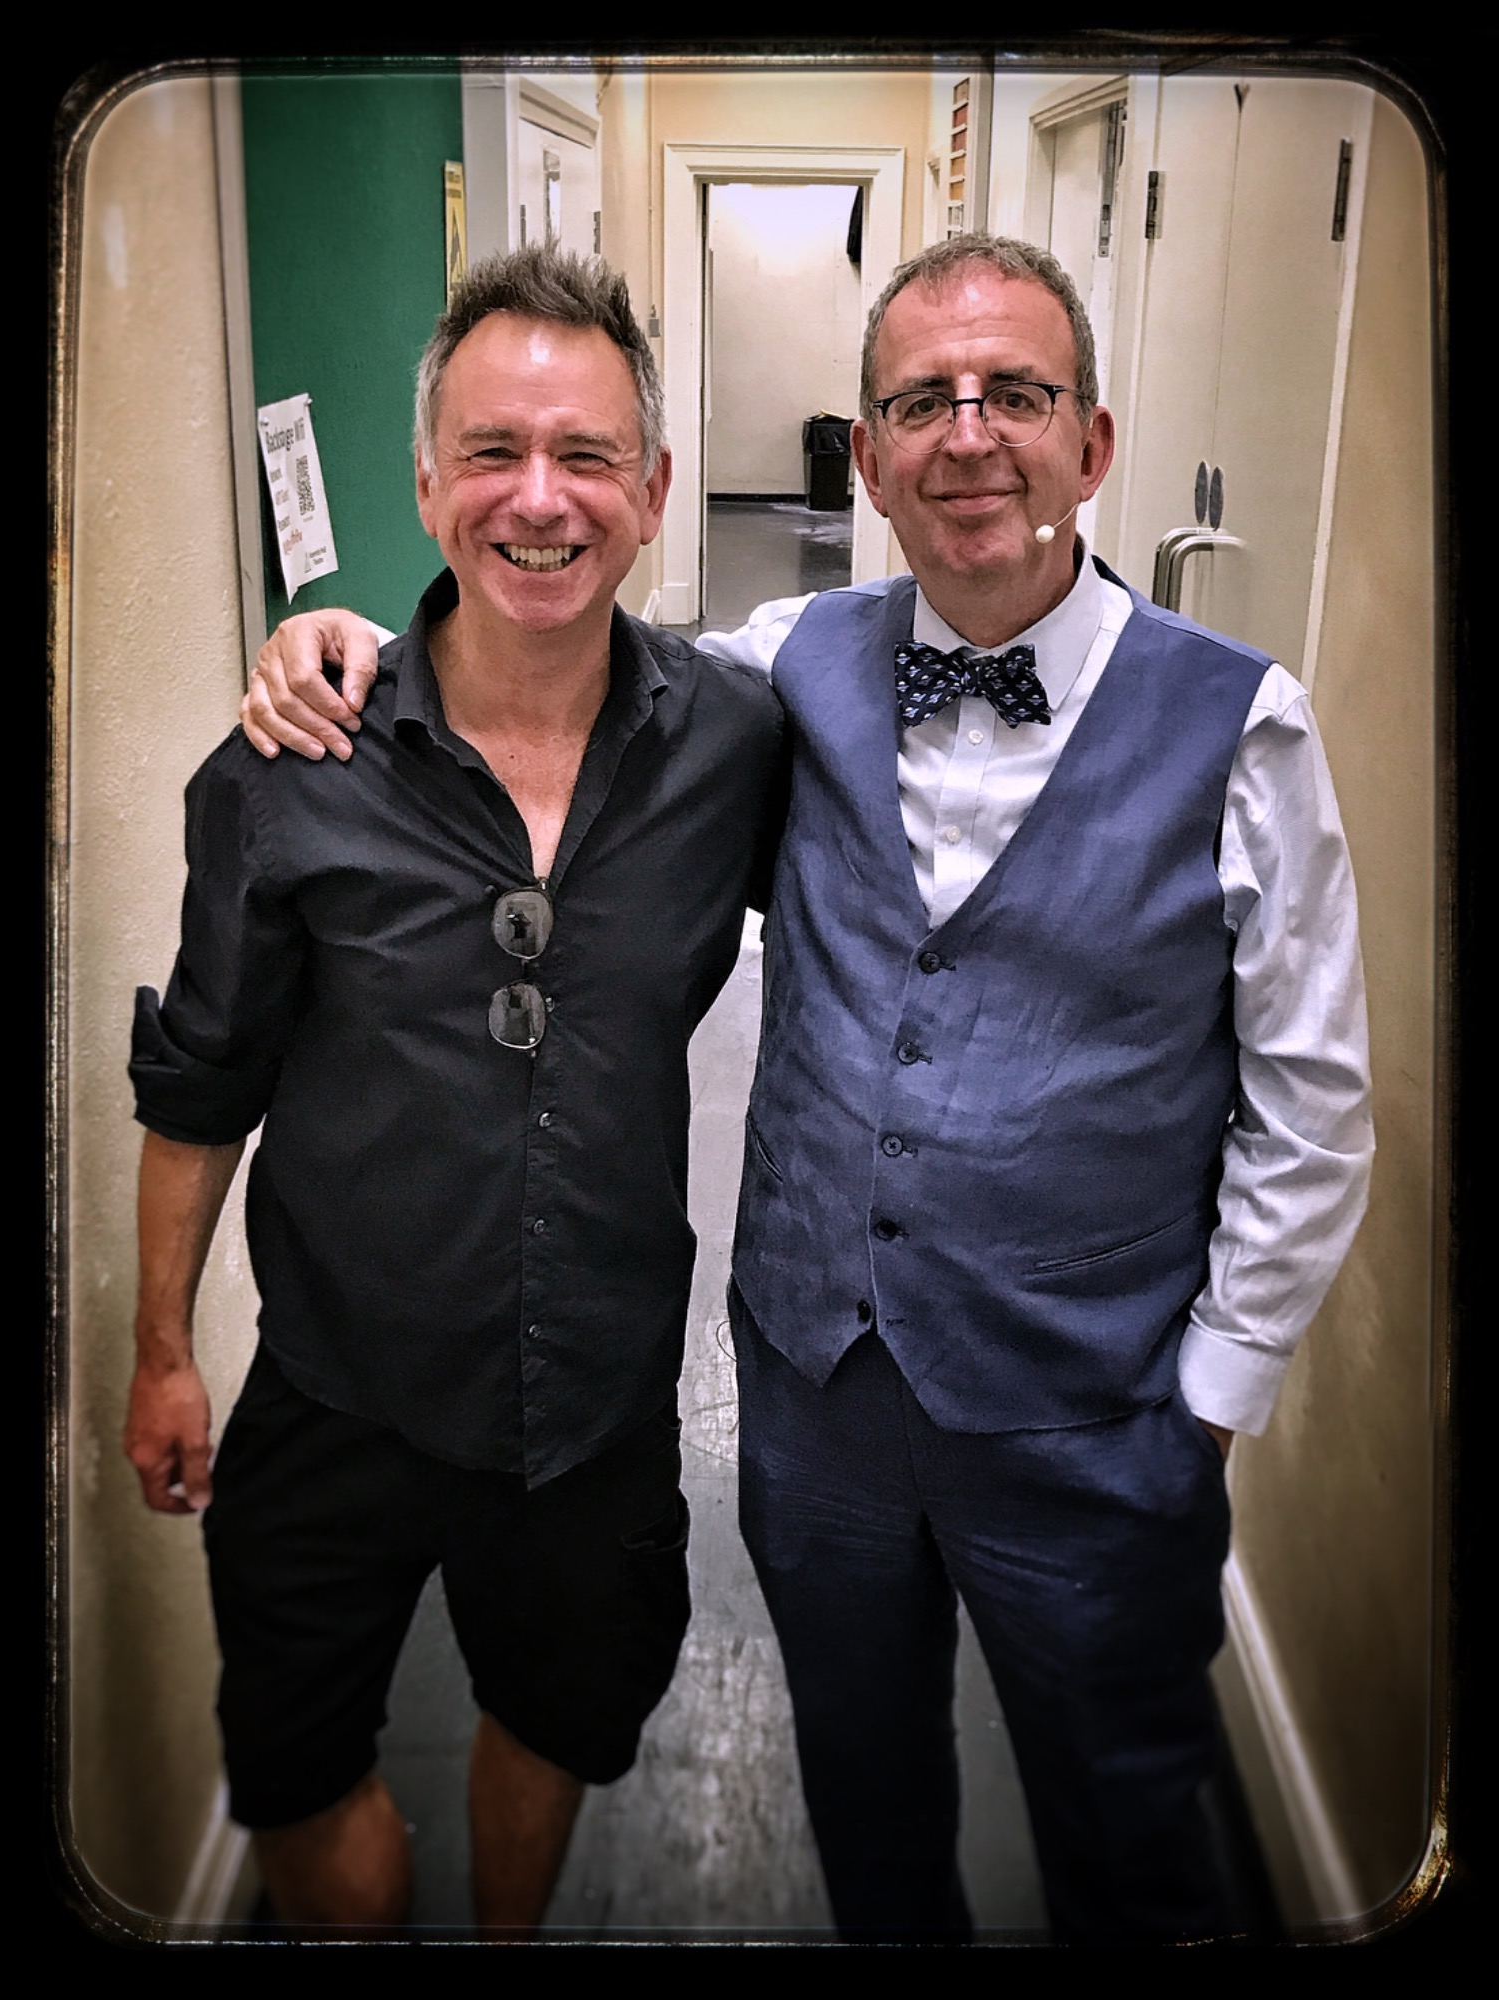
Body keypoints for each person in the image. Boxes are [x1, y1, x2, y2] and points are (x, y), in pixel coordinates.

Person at [245, 234, 1373, 1941]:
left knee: (1129, 1826)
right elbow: (560, 656)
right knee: (863, 1782)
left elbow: (1311, 1104)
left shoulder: (1247, 729)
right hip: (814, 1389)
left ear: (1093, 443)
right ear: (869, 459)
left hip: (1096, 1418)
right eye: (921, 402)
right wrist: (341, 643)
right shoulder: (779, 670)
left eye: (1016, 395)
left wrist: (1211, 1396)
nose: (968, 434)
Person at [125, 245, 785, 1931]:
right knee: (293, 1770)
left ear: (654, 490)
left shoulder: (739, 744)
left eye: (586, 456)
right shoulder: (292, 765)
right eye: (492, 451)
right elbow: (201, 1078)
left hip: (595, 1394)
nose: (538, 499)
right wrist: (162, 1349)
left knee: (555, 1718)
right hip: (334, 1381)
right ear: (426, 484)